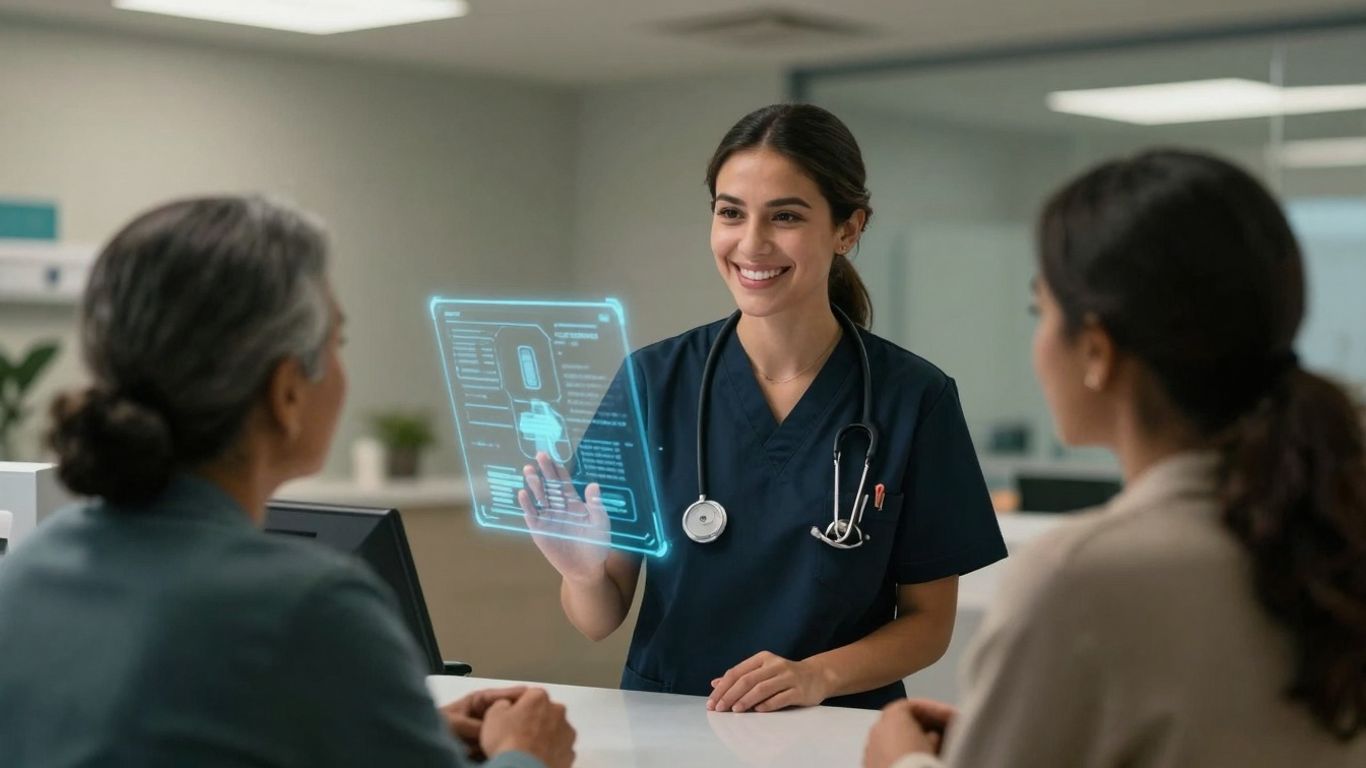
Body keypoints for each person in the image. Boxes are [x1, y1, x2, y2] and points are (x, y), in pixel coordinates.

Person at [0, 196, 576, 768]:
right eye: (337, 344)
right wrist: (526, 754)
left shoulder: (25, 576)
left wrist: (384, 726)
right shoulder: (308, 610)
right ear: (288, 393)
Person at [864, 149, 1366, 767]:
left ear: (1096, 350)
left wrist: (901, 762)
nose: (1039, 341)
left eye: (1039, 311)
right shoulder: (1331, 535)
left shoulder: (1078, 578)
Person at [521, 103, 1007, 712]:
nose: (751, 243)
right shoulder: (652, 381)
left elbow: (928, 624)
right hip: (670, 730)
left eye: (785, 216)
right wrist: (584, 573)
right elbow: (599, 619)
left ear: (848, 230)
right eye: (730, 213)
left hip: (832, 732)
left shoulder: (914, 398)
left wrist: (817, 677)